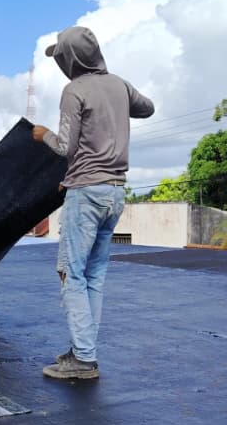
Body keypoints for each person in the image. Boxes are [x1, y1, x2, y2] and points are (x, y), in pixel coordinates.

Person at [32, 26, 154, 379]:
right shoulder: (119, 84)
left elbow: (64, 147)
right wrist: (118, 101)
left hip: (86, 194)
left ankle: (83, 359)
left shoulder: (75, 90)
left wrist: (43, 135)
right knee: (94, 275)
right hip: (115, 192)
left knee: (70, 273)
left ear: (70, 58)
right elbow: (147, 108)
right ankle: (83, 349)